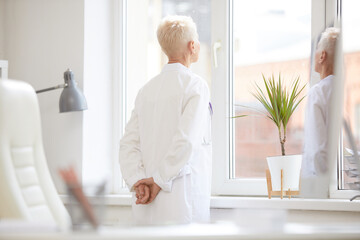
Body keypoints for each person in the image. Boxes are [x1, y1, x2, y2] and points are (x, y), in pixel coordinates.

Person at [119, 15, 212, 225]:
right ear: (193, 46)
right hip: (180, 202)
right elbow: (186, 140)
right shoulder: (195, 86)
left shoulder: (146, 91)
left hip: (146, 204)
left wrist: (138, 181)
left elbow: (127, 145)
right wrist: (159, 181)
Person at [302, 27, 340, 177]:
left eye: (317, 49)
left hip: (319, 183)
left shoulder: (318, 92)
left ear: (322, 56)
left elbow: (317, 150)